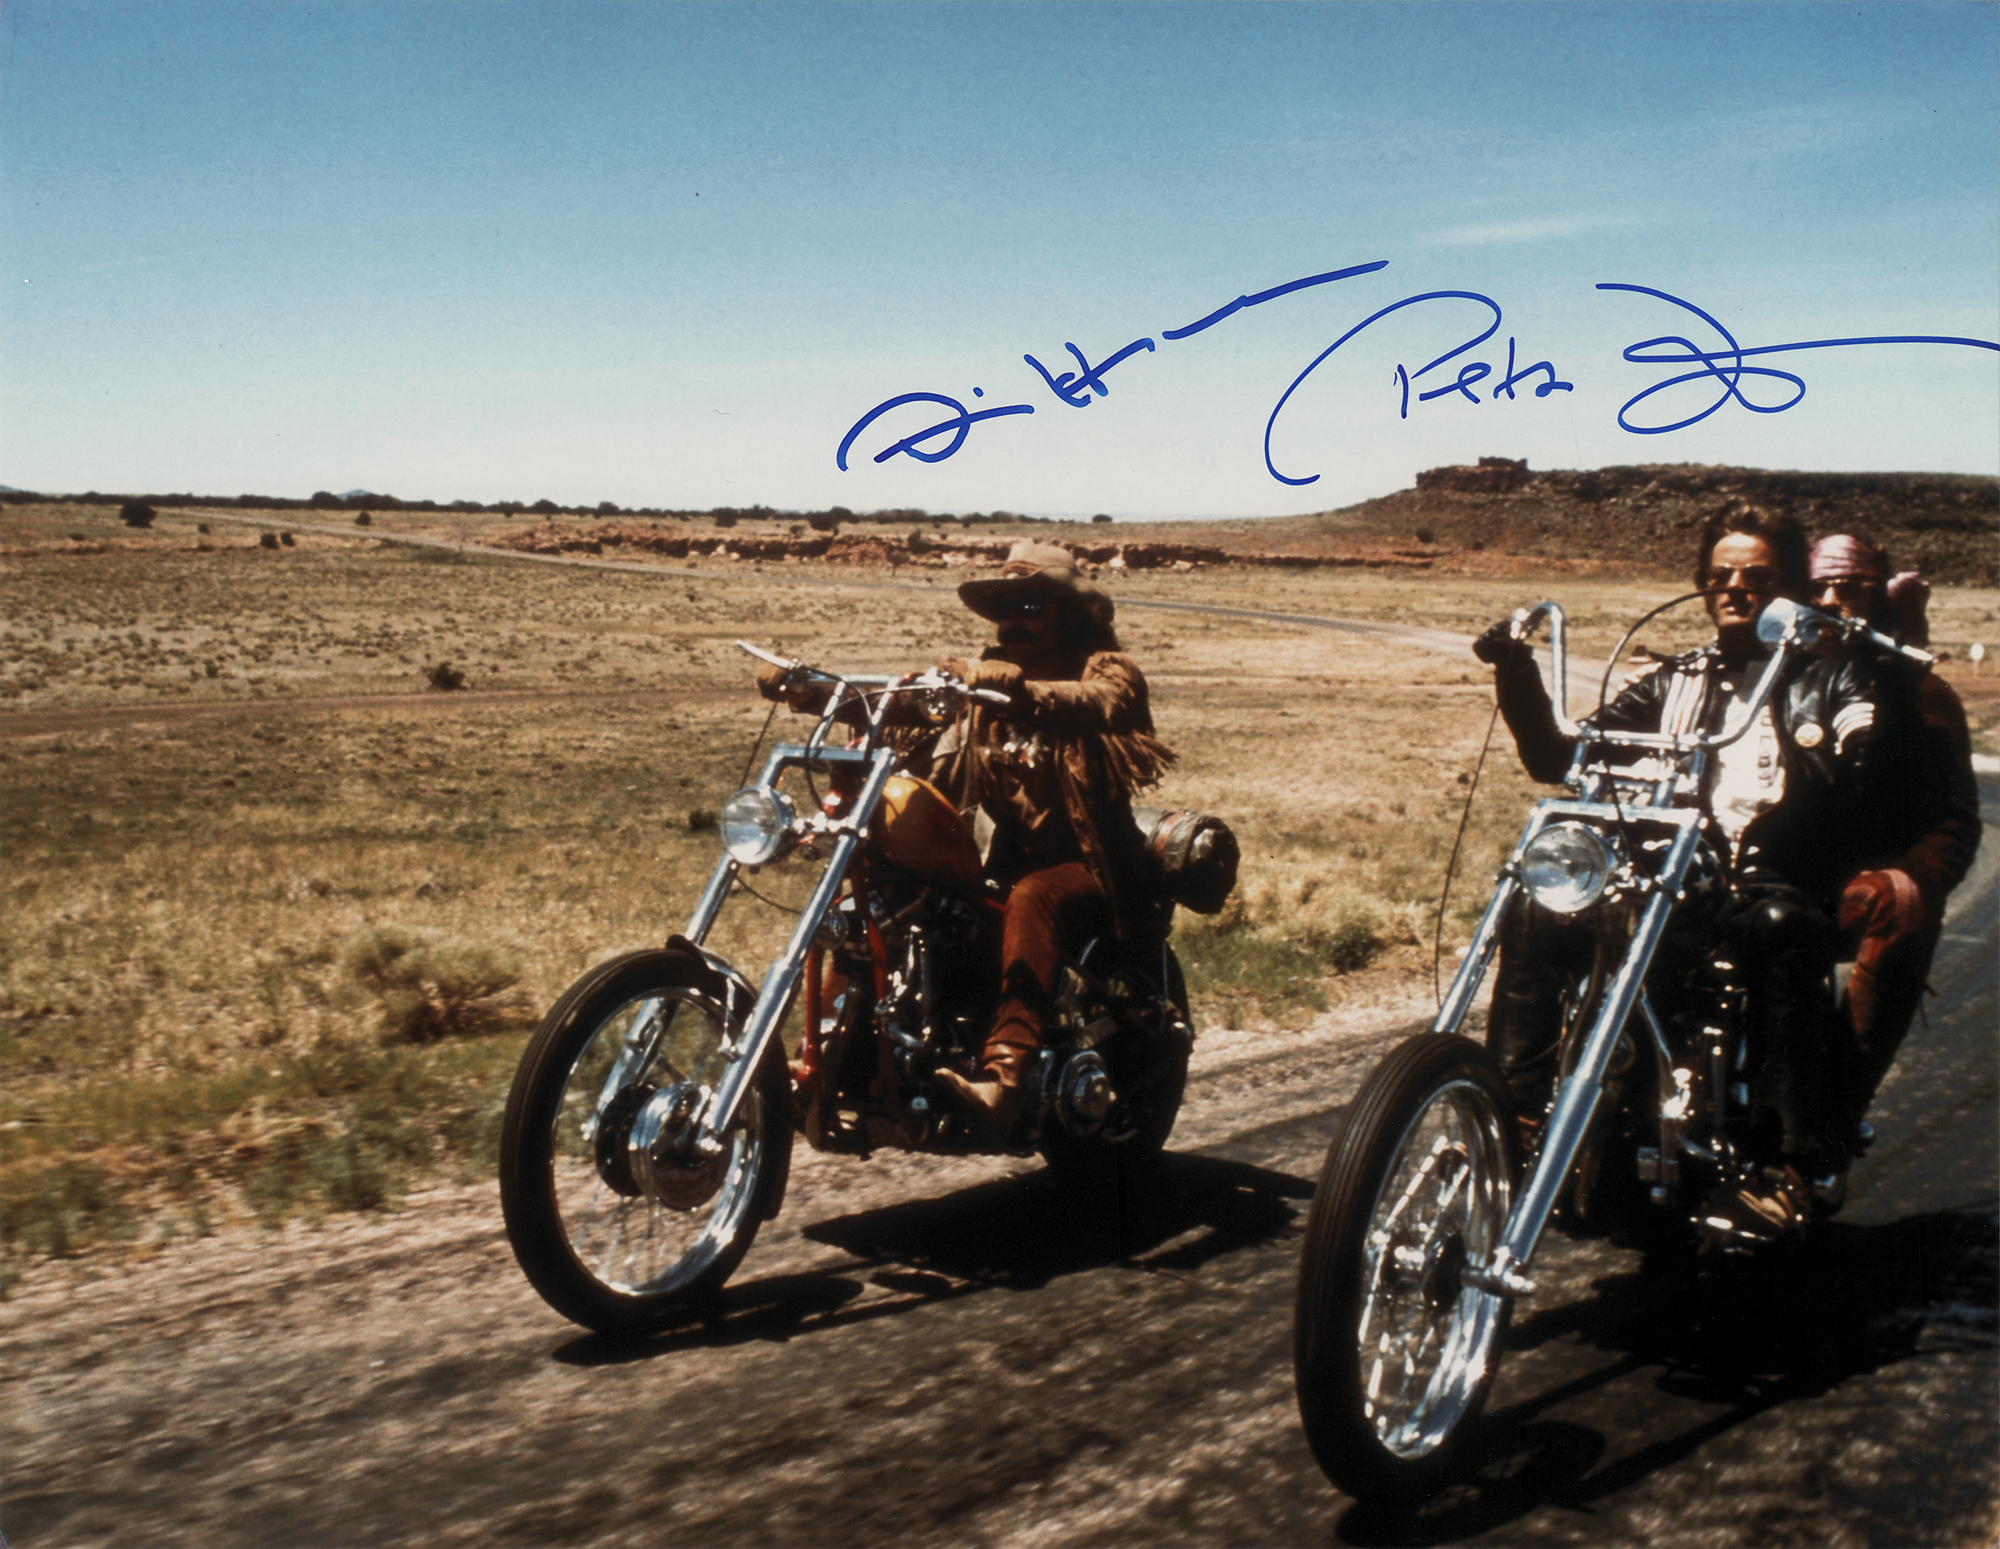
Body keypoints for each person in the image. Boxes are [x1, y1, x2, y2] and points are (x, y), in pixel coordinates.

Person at [1472, 509, 1895, 1239]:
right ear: (1702, 585)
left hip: (1766, 877)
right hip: (1667, 870)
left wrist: (1848, 758)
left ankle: (1788, 1164)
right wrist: (1517, 675)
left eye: (1757, 576)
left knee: (1780, 925)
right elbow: (1564, 756)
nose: (1735, 588)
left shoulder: (1829, 675)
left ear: (1789, 588)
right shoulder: (1676, 678)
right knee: (1542, 903)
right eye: (1720, 575)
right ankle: (1517, 1116)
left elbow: (1869, 761)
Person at [759, 540, 1174, 1143]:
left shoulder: (1105, 669)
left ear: (1070, 613)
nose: (1015, 621)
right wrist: (812, 693)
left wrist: (1026, 692)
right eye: (1007, 608)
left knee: (1033, 896)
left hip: (1088, 863)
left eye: (1032, 606)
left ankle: (1005, 1078)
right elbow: (898, 707)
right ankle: (823, 1061)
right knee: (881, 903)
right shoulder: (981, 679)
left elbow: (1102, 703)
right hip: (999, 861)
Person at [1806, 534, 1981, 1139]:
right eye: (1817, 587)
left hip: (1852, 894)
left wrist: (1918, 878)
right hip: (1766, 877)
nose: (1830, 600)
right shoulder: (1770, 677)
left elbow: (1955, 823)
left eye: (1850, 588)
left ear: (1878, 598)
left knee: (1901, 899)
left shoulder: (1924, 696)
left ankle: (1835, 1114)